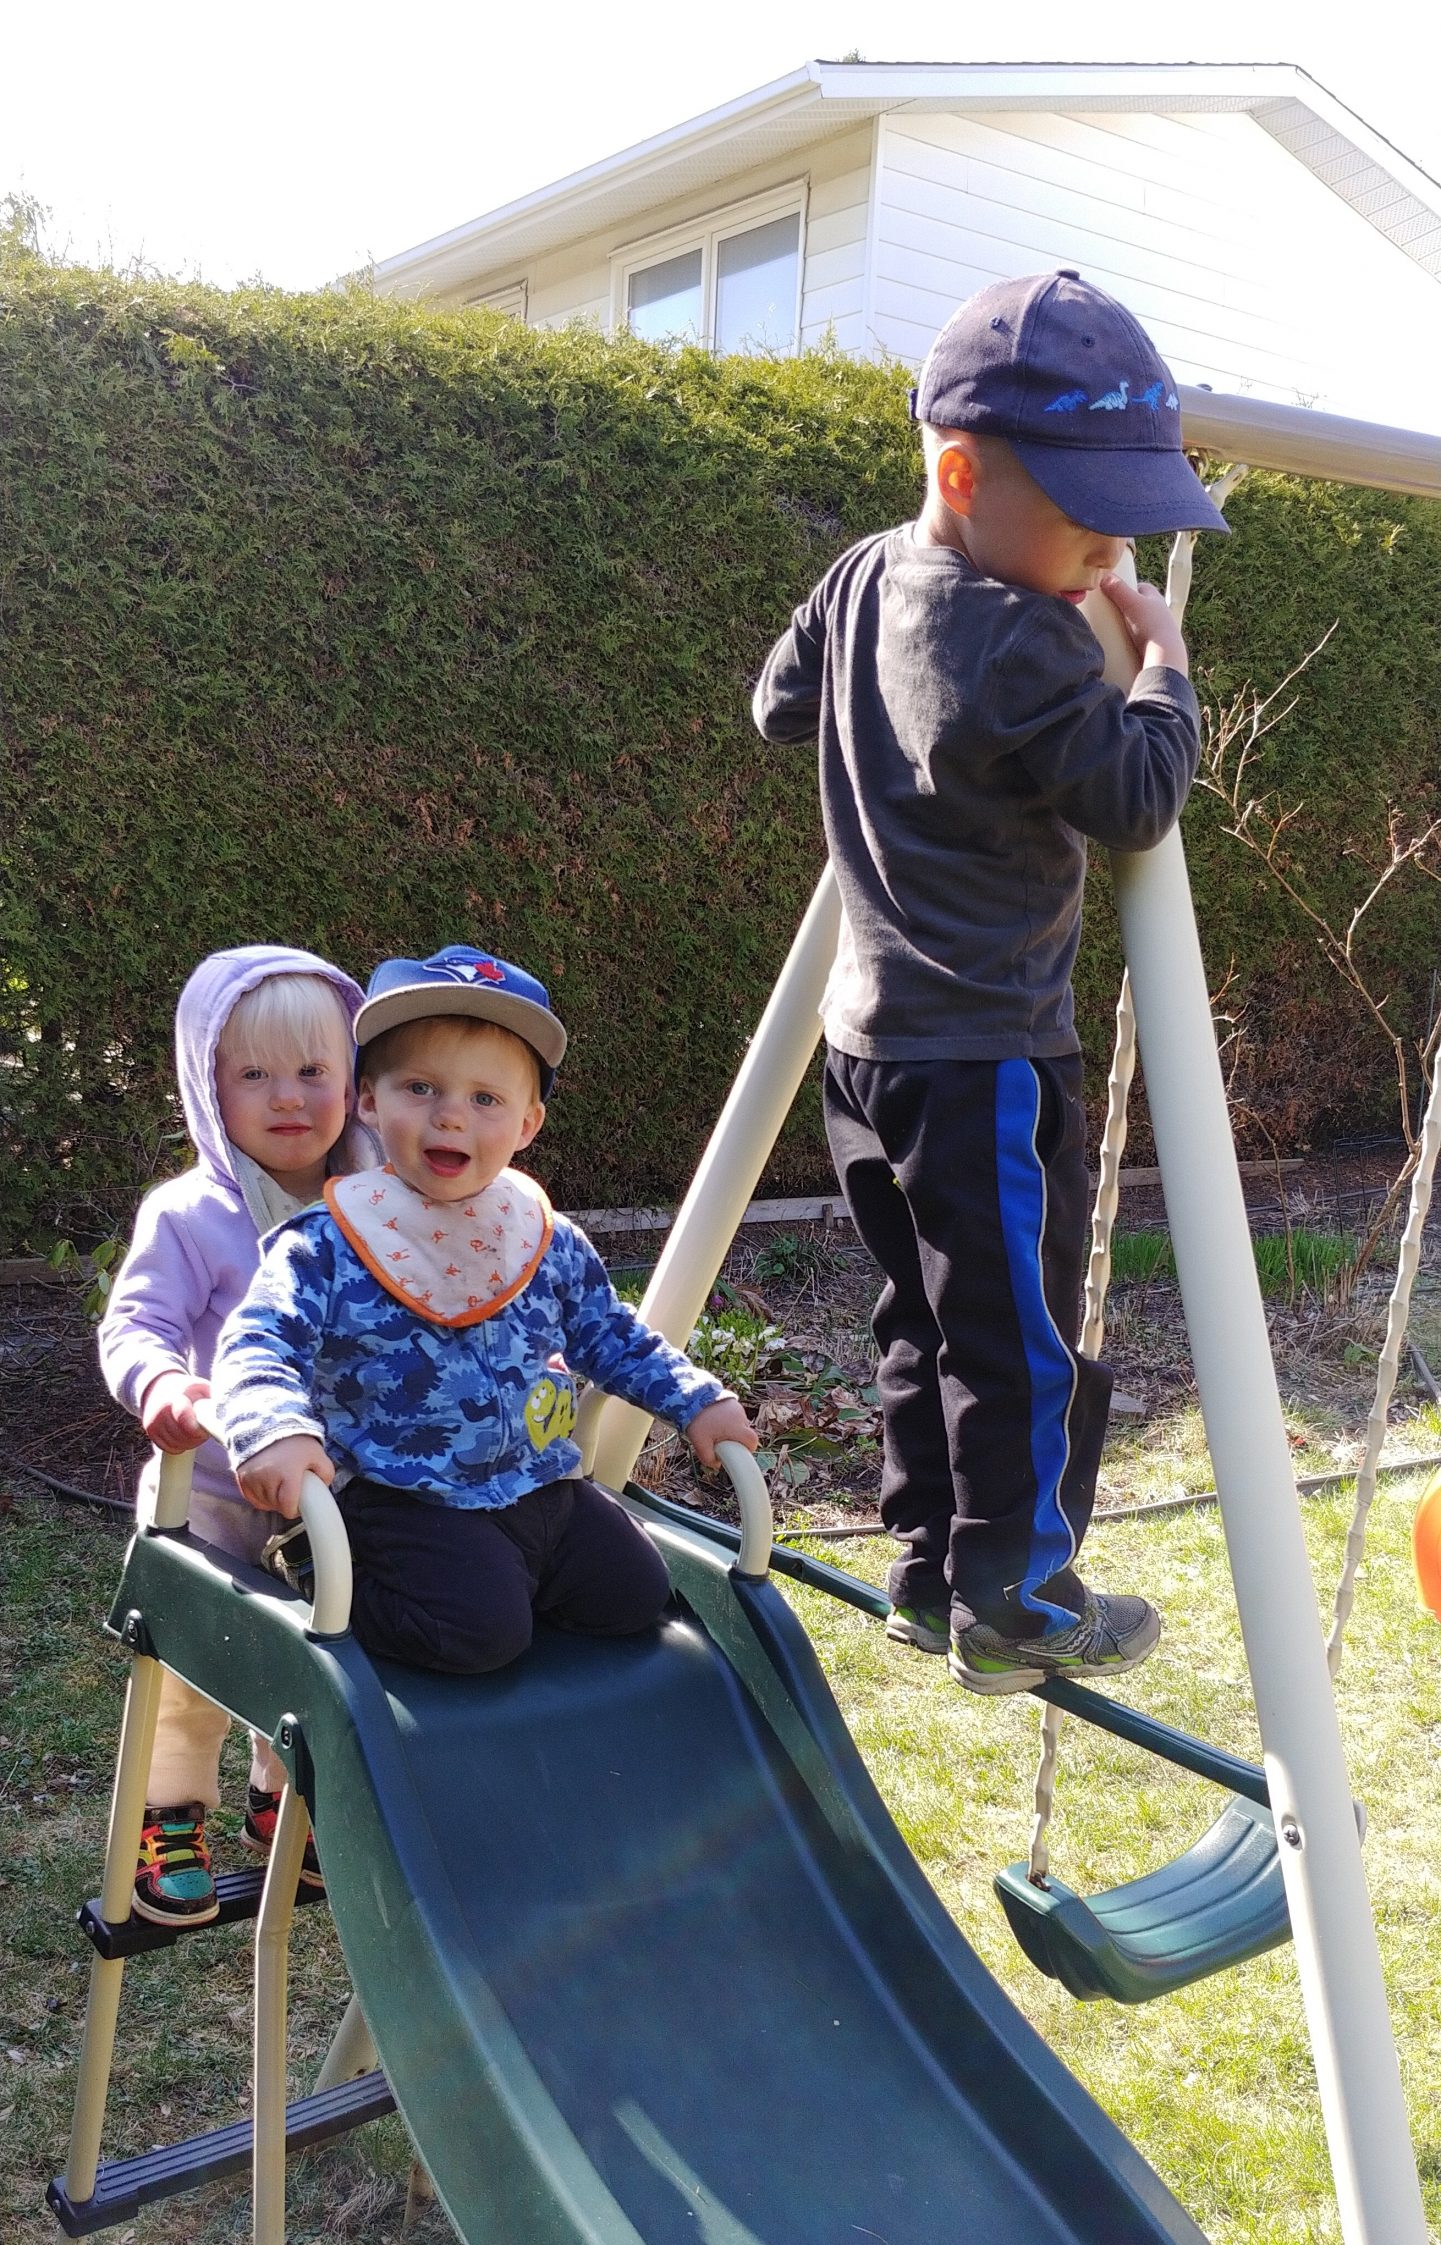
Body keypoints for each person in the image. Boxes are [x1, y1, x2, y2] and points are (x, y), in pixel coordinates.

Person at [753, 269, 1226, 1693]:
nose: (1109, 554)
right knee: (1017, 1342)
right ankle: (1016, 1596)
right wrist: (1163, 674)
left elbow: (779, 704)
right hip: (987, 1058)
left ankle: (925, 1569)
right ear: (960, 474)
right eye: (1088, 521)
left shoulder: (859, 577)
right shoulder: (1021, 632)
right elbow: (1135, 796)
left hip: (866, 1053)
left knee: (920, 1318)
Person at [212, 946, 757, 1675]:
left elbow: (609, 1335)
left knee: (635, 1594)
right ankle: (316, 1569)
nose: (450, 1117)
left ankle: (509, 1581)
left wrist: (696, 1400)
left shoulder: (544, 1238)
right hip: (405, 1498)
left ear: (528, 1124)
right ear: (368, 1100)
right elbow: (259, 1341)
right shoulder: (328, 1242)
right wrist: (271, 1427)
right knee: (478, 1636)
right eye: (420, 1088)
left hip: (540, 1485)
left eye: (485, 1099)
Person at [99, 944, 374, 1923]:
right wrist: (162, 1381)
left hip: (323, 1499)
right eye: (253, 1074)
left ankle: (280, 1804)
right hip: (210, 1489)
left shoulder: (375, 1205)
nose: (287, 1096)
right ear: (208, 1088)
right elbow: (136, 1323)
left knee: (303, 1656)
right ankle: (168, 1816)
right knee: (192, 1672)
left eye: (312, 1070)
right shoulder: (189, 1215)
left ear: (354, 1081)